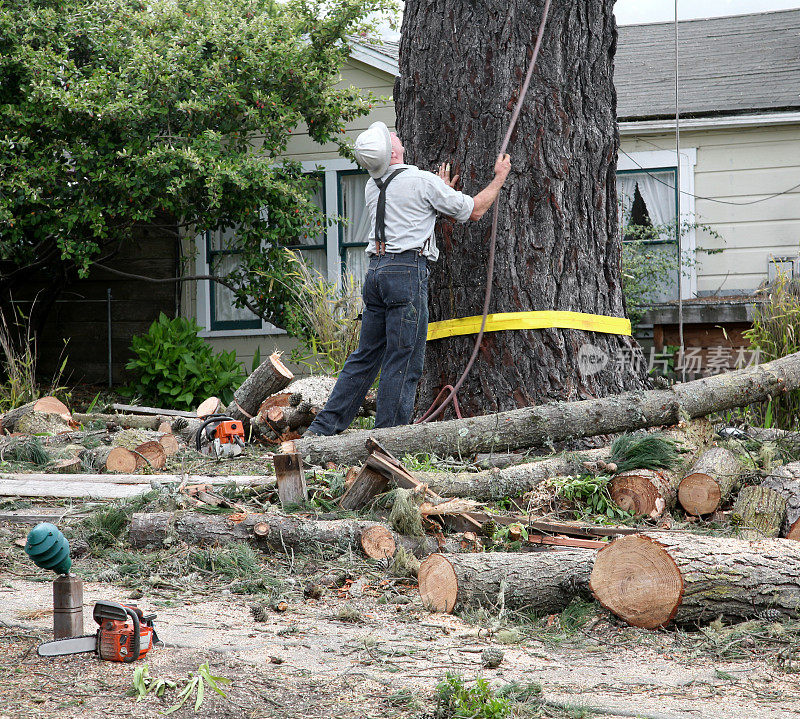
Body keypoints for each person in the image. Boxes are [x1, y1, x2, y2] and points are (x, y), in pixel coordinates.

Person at [304, 121, 511, 436]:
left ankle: (321, 430)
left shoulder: (373, 185)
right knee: (403, 358)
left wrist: (442, 192)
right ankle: (389, 438)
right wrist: (499, 178)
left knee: (365, 357)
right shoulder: (421, 181)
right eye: (391, 137)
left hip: (375, 273)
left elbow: (414, 211)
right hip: (405, 273)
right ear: (392, 153)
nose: (396, 135)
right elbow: (475, 211)